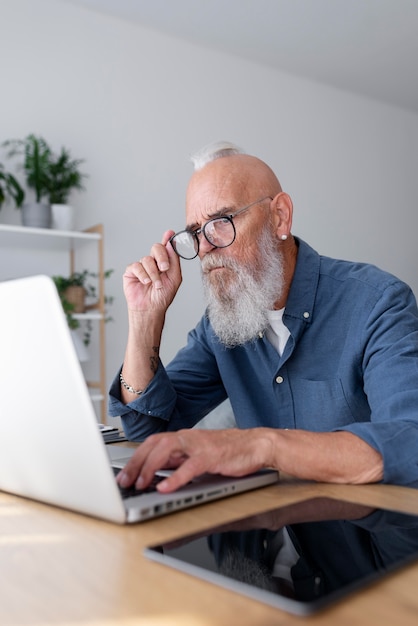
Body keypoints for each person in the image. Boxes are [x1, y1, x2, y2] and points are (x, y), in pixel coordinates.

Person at [109, 140, 418, 494]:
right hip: (269, 533)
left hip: (368, 544)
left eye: (221, 222)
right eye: (195, 232)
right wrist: (145, 318)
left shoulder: (377, 302)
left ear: (279, 216)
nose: (205, 247)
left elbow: (410, 443)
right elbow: (145, 430)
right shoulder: (220, 327)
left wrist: (262, 446)